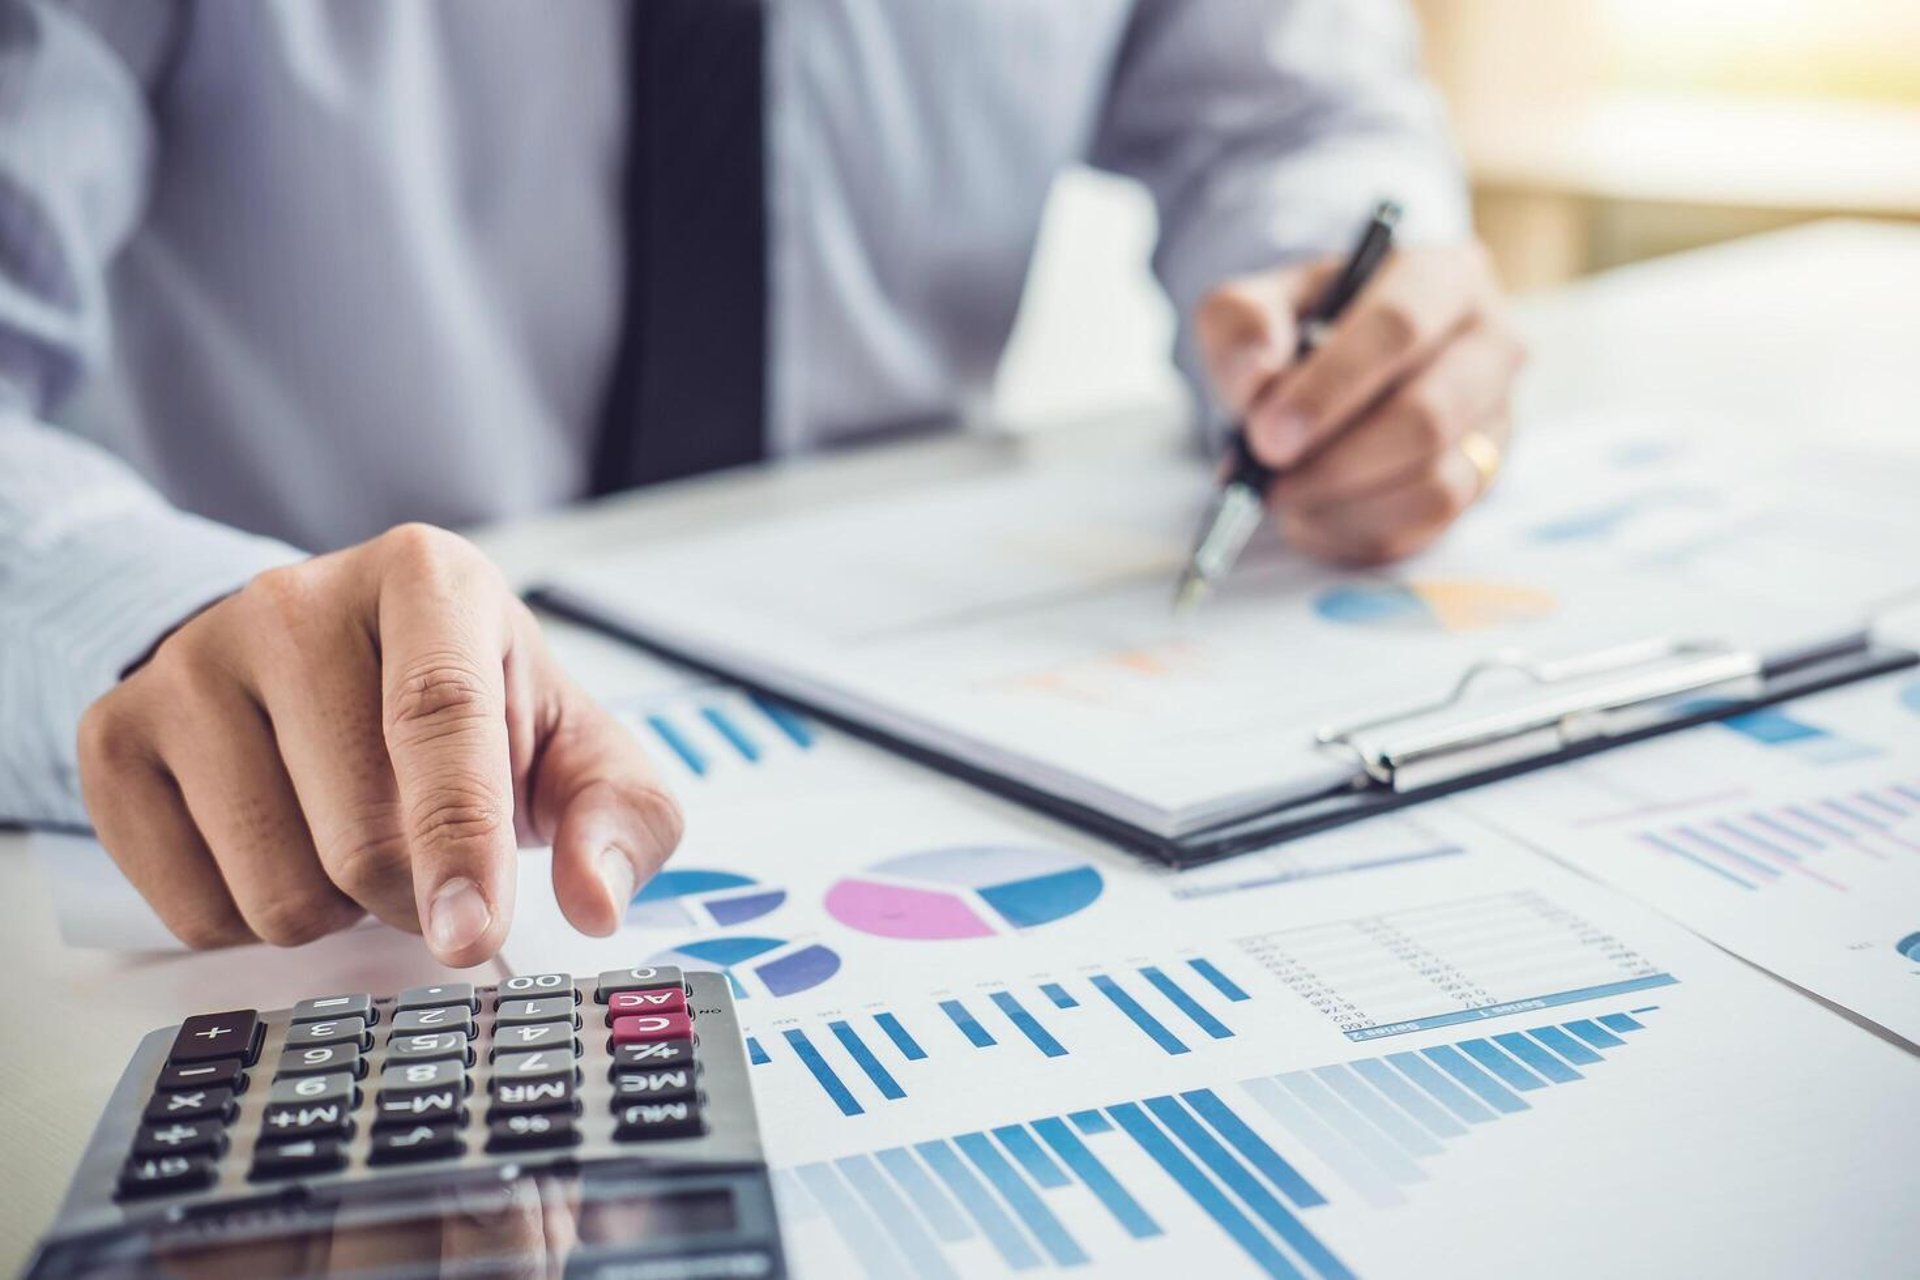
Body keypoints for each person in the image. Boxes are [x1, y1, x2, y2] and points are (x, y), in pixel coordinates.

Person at [0, 0, 1523, 965]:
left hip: (924, 688)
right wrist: (154, 609)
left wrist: (1336, 322)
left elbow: (1292, 110)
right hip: (334, 803)